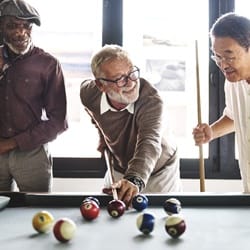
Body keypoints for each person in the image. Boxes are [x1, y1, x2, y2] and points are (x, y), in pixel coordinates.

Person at [80, 44, 182, 207]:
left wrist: (134, 180)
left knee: (160, 218)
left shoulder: (151, 101)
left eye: (132, 73)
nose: (131, 83)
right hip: (120, 165)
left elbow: (149, 143)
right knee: (111, 215)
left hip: (159, 169)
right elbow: (93, 112)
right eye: (120, 79)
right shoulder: (89, 93)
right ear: (101, 86)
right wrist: (102, 135)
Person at [0, 0, 67, 192]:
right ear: (1, 27)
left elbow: (59, 122)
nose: (21, 32)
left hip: (32, 155)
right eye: (12, 26)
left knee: (37, 214)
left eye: (26, 26)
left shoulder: (48, 64)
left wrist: (11, 144)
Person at [193, 12, 250, 192]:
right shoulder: (232, 81)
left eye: (229, 56)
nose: (223, 65)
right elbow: (235, 116)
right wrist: (211, 132)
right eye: (217, 57)